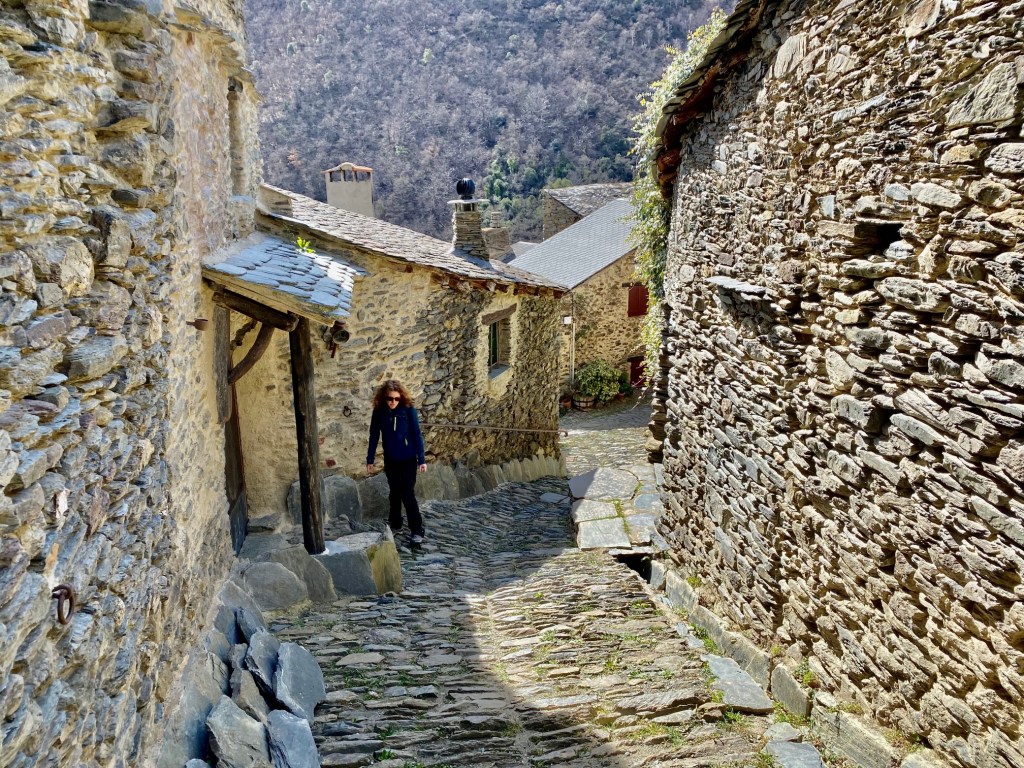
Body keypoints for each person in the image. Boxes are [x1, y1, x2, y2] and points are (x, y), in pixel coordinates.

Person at [366, 379, 427, 544]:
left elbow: (417, 434)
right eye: (389, 398)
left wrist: (421, 459)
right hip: (391, 459)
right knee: (394, 492)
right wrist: (370, 459)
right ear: (384, 398)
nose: (393, 402)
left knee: (407, 493)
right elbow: (374, 436)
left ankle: (417, 529)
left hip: (408, 459)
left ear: (401, 398)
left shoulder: (408, 410)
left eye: (396, 399)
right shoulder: (379, 412)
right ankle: (396, 524)